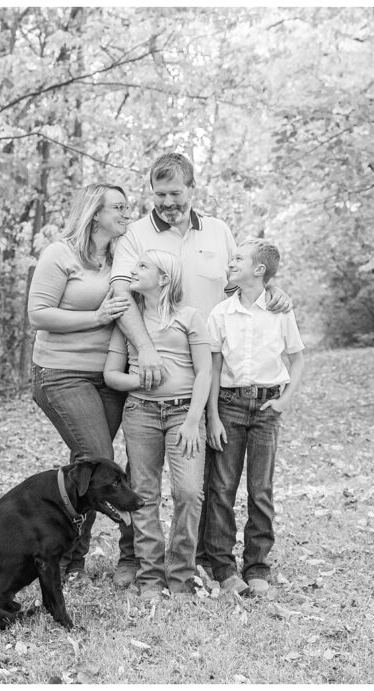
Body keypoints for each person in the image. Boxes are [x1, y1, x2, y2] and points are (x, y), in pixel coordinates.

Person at [109, 152, 292, 589]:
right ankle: (135, 557)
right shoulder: (136, 235)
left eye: (176, 193)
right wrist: (147, 350)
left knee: (208, 476)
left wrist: (275, 288)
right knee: (144, 475)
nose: (168, 202)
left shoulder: (218, 231)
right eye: (160, 194)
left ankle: (210, 558)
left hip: (215, 371)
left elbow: (242, 279)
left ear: (193, 188)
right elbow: (121, 297)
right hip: (158, 371)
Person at [27, 183, 135, 581]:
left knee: (88, 468)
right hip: (60, 372)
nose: (127, 214)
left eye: (129, 207)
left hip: (109, 376)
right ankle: (71, 556)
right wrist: (98, 318)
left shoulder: (123, 255)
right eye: (119, 207)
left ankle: (64, 556)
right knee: (99, 459)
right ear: (95, 212)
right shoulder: (61, 254)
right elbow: (38, 314)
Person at [103, 250, 212, 599]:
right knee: (144, 496)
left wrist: (194, 420)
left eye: (143, 267)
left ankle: (180, 575)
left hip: (184, 415)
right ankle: (150, 577)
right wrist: (140, 382)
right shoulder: (127, 322)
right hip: (141, 414)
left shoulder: (190, 317)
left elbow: (205, 372)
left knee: (189, 493)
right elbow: (111, 376)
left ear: (164, 278)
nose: (133, 271)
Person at [203, 238, 305, 597]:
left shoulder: (280, 311)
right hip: (229, 406)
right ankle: (224, 567)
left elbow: (297, 359)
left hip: (266, 408)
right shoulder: (220, 314)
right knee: (221, 489)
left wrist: (283, 402)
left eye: (239, 259)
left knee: (261, 490)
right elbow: (213, 370)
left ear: (259, 270)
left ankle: (257, 566)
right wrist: (212, 417)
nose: (231, 262)